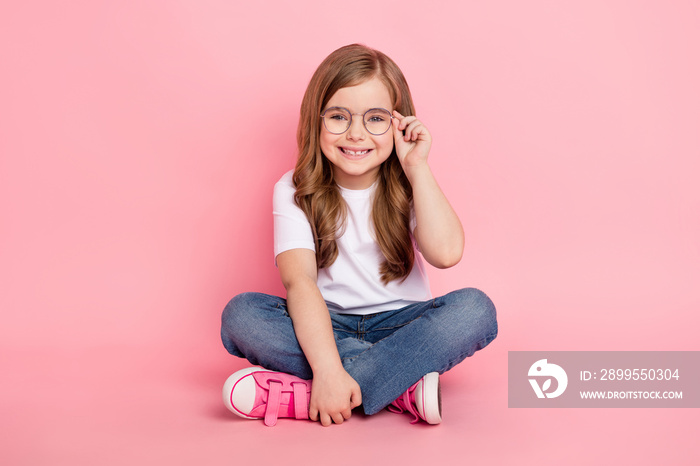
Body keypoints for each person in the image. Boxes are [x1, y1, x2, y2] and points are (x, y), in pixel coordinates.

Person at [221, 43, 498, 427]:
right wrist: (328, 365)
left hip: (404, 324)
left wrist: (417, 167)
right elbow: (299, 282)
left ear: (399, 122)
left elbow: (448, 253)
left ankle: (313, 395)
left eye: (375, 119)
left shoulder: (408, 183)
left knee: (475, 310)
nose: (356, 134)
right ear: (315, 120)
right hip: (325, 327)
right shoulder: (294, 189)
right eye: (338, 116)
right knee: (242, 316)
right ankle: (397, 387)